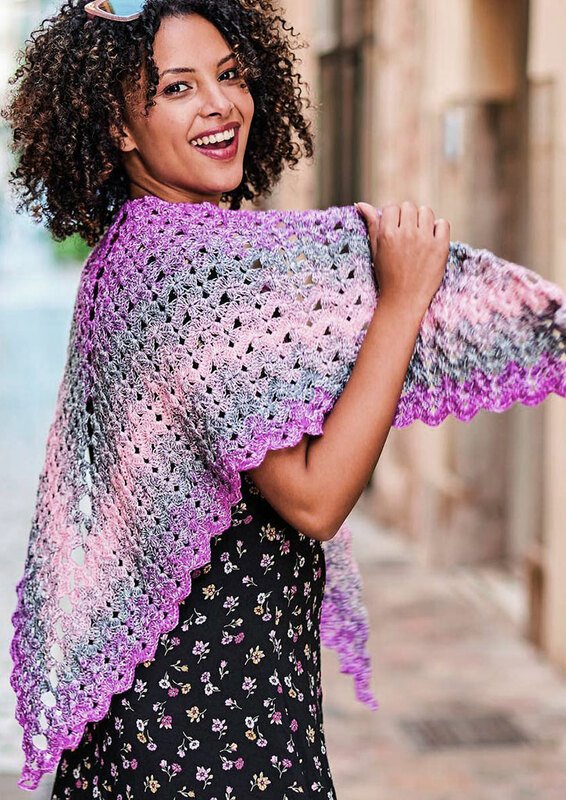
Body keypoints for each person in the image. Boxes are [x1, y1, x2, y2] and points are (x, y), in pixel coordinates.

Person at [3, 1, 450, 797]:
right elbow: (313, 499)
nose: (219, 105)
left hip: (154, 718)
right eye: (177, 88)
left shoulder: (133, 249)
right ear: (119, 127)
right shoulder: (188, 270)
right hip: (211, 734)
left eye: (230, 75)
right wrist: (403, 301)